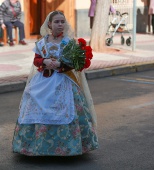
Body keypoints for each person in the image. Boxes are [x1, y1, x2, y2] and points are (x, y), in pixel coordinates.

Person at [12, 11, 98, 156]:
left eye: (62, 21)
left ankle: (67, 147)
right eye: (57, 22)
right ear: (50, 24)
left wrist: (61, 64)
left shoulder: (69, 42)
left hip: (63, 80)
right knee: (35, 109)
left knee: (67, 110)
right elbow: (36, 60)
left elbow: (74, 65)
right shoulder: (42, 42)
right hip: (43, 81)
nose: (60, 24)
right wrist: (44, 61)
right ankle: (35, 146)